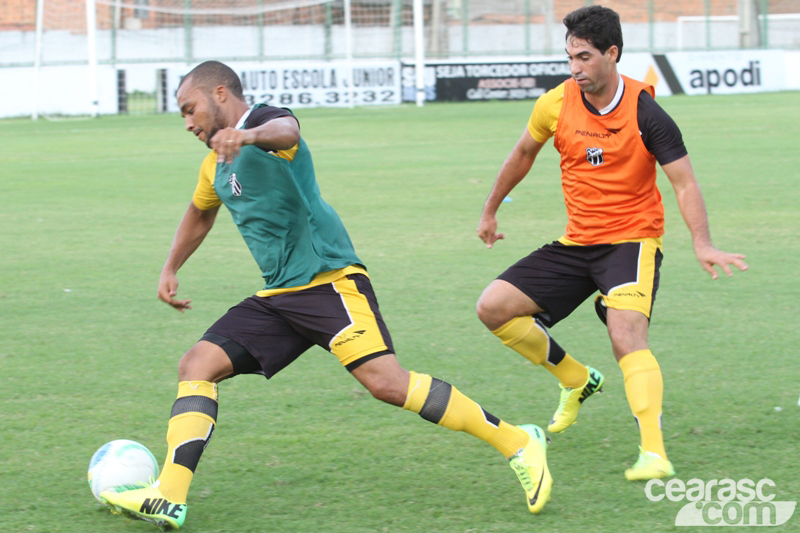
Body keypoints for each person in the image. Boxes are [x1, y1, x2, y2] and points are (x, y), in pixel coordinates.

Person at [100, 60, 551, 530]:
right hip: (277, 298)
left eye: (190, 110)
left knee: (388, 384)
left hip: (329, 282)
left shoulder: (265, 125)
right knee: (197, 364)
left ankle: (519, 442)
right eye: (182, 117)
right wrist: (171, 267)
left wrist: (247, 136)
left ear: (219, 93)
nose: (189, 123)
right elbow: (200, 213)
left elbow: (287, 131)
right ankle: (169, 497)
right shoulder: (213, 165)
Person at [476, 6, 747, 481]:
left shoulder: (647, 112)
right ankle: (576, 379)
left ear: (612, 53)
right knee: (493, 307)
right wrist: (490, 209)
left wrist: (703, 244)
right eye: (569, 57)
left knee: (625, 335)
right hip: (578, 242)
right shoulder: (556, 103)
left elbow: (684, 183)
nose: (574, 68)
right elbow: (522, 153)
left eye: (583, 57)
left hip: (631, 241)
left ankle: (654, 455)